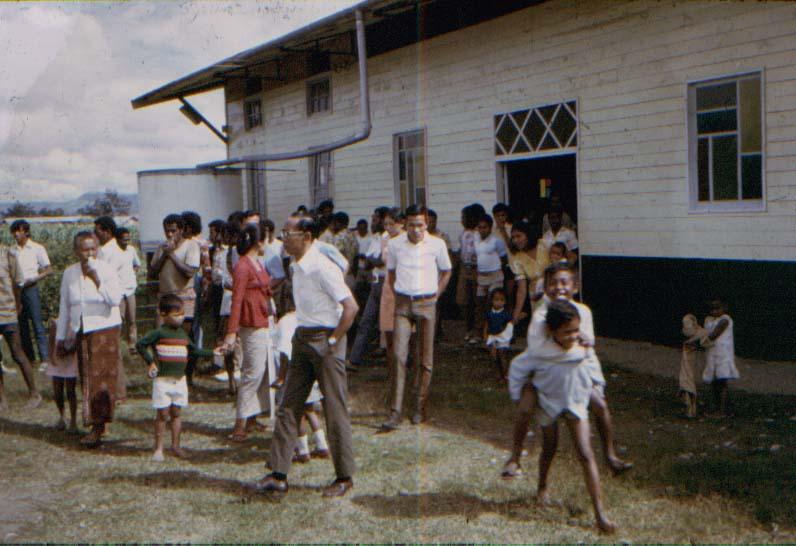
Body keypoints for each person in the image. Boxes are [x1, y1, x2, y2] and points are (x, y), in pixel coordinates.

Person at [255, 215, 358, 498]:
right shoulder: (294, 264)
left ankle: (344, 478)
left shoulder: (322, 267)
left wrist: (334, 340)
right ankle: (278, 474)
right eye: (283, 232)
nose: (284, 238)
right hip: (302, 337)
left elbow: (350, 307)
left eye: (289, 233)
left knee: (334, 409)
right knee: (288, 405)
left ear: (308, 236)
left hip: (327, 339)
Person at [503, 262, 632, 478]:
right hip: (543, 372)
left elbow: (588, 348)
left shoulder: (583, 312)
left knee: (600, 404)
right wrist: (575, 351)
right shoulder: (541, 314)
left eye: (564, 282)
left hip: (575, 372)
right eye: (552, 283)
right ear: (544, 287)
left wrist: (593, 377)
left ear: (575, 286)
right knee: (525, 410)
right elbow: (537, 350)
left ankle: (610, 455)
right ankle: (515, 457)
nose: (558, 288)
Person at [533, 300, 616, 534]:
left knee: (585, 452)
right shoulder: (542, 349)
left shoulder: (582, 346)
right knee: (549, 447)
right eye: (567, 331)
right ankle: (542, 487)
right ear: (551, 331)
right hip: (549, 402)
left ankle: (600, 514)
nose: (573, 335)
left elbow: (590, 371)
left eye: (576, 330)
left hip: (575, 402)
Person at [381, 205, 452, 430]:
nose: (416, 229)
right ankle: (395, 411)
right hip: (403, 304)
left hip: (427, 303)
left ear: (427, 223)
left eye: (420, 224)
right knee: (398, 356)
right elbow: (391, 274)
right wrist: (399, 294)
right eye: (411, 225)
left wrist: (436, 294)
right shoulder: (395, 245)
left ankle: (420, 407)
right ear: (405, 224)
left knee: (425, 359)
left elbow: (447, 271)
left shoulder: (437, 244)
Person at [55, 231, 123, 447]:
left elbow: (114, 299)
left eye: (94, 248)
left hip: (104, 328)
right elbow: (65, 306)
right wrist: (61, 336)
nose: (90, 253)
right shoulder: (69, 273)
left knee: (101, 379)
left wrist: (97, 279)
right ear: (76, 251)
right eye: (85, 249)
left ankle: (98, 427)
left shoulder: (106, 270)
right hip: (82, 330)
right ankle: (97, 421)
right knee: (87, 378)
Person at [136, 294, 217, 461]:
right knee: (162, 414)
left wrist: (213, 352)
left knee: (177, 412)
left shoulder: (183, 334)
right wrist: (150, 362)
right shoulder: (158, 333)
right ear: (163, 314)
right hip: (162, 381)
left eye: (182, 313)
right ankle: (158, 448)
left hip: (180, 381)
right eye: (176, 314)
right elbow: (140, 345)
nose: (181, 317)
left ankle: (175, 445)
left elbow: (194, 351)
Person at [220, 223, 275, 441]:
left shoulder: (257, 263)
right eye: (266, 239)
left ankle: (251, 418)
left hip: (263, 321)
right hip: (251, 325)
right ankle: (240, 424)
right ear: (259, 242)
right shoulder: (243, 266)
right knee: (253, 373)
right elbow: (237, 300)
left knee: (262, 372)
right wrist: (231, 332)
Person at [270, 310, 330, 463]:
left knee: (298, 414)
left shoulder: (285, 322)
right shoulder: (309, 316)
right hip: (312, 370)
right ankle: (322, 445)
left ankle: (303, 450)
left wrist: (281, 377)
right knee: (310, 410)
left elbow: (284, 353)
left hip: (295, 373)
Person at [148, 214, 200, 385]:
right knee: (159, 338)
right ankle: (162, 373)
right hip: (165, 296)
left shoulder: (191, 246)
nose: (170, 235)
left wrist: (172, 255)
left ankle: (186, 376)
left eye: (173, 231)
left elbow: (189, 272)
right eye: (167, 231)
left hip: (183, 295)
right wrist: (165, 254)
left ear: (181, 230)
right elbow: (153, 271)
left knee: (183, 338)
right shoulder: (161, 248)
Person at [0, 241, 41, 410]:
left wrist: (17, 305)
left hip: (7, 311)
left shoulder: (8, 254)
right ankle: (2, 399)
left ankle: (34, 394)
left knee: (18, 353)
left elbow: (18, 283)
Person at [348, 207, 388, 368]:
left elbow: (379, 261)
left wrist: (373, 260)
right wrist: (373, 260)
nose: (373, 222)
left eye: (376, 219)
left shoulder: (389, 238)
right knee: (366, 320)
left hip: (387, 282)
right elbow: (368, 262)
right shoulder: (375, 238)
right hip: (375, 282)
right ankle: (354, 359)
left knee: (386, 323)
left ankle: (391, 356)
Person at [10, 219, 52, 370]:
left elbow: (48, 270)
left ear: (26, 232)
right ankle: (30, 358)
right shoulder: (12, 250)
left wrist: (34, 278)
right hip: (17, 290)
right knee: (22, 325)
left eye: (19, 231)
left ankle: (45, 358)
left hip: (31, 287)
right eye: (14, 231)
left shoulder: (37, 248)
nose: (16, 234)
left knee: (37, 322)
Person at [95, 216, 129, 401]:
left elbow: (104, 278)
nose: (95, 234)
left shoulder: (112, 253)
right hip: (104, 302)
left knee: (113, 349)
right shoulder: (103, 250)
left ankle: (119, 392)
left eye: (97, 230)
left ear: (107, 231)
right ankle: (111, 389)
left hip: (114, 302)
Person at [376, 209, 404, 373]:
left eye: (391, 224)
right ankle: (391, 366)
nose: (388, 227)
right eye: (385, 224)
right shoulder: (384, 238)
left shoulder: (405, 238)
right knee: (388, 325)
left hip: (403, 282)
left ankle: (406, 363)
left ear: (400, 223)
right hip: (388, 283)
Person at [474, 214, 508, 344]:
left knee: (495, 305)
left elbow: (503, 258)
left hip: (495, 275)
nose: (482, 230)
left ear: (490, 228)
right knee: (480, 305)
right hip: (482, 276)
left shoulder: (496, 240)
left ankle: (497, 333)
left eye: (485, 228)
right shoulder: (476, 240)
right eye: (480, 227)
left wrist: (496, 268)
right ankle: (480, 333)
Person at [702, 298, 738, 417]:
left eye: (718, 308)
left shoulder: (725, 320)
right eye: (712, 309)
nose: (714, 311)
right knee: (715, 383)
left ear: (725, 308)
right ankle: (724, 408)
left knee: (722, 383)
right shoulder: (710, 320)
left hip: (723, 356)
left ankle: (721, 411)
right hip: (713, 355)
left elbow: (713, 335)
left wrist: (699, 337)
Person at [509, 221, 549, 323]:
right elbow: (521, 290)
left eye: (519, 236)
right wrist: (516, 314)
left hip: (554, 290)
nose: (516, 240)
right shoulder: (516, 259)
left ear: (528, 234)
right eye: (513, 237)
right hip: (537, 297)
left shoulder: (544, 244)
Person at [46, 318, 77, 431]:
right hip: (57, 360)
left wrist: (68, 351)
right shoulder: (56, 323)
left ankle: (73, 420)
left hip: (71, 360)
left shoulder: (77, 324)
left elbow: (77, 343)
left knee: (70, 391)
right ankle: (62, 417)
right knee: (58, 391)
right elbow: (50, 342)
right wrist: (51, 357)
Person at [455, 205, 480, 342]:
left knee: (476, 301)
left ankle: (476, 330)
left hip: (477, 269)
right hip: (465, 268)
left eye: (463, 217)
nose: (462, 220)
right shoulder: (463, 234)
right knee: (463, 300)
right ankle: (468, 328)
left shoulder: (479, 233)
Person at [115, 227, 142, 344]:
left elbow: (137, 264)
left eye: (128, 239)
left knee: (132, 320)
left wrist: (131, 273)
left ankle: (133, 344)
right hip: (118, 291)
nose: (126, 242)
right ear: (117, 239)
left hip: (130, 289)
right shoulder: (113, 252)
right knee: (119, 320)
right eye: (124, 240)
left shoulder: (131, 250)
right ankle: (119, 344)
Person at [680, 314, 708, 419]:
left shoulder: (692, 343)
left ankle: (691, 410)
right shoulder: (689, 343)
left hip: (690, 368)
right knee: (687, 386)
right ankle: (691, 409)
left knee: (688, 386)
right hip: (688, 368)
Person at [483, 288, 513, 381]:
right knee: (494, 355)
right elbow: (486, 324)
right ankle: (497, 373)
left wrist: (507, 336)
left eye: (501, 300)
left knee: (502, 354)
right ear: (492, 301)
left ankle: (505, 373)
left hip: (502, 337)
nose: (499, 302)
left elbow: (509, 325)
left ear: (505, 302)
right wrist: (485, 334)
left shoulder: (505, 314)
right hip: (492, 336)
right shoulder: (490, 313)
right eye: (496, 300)